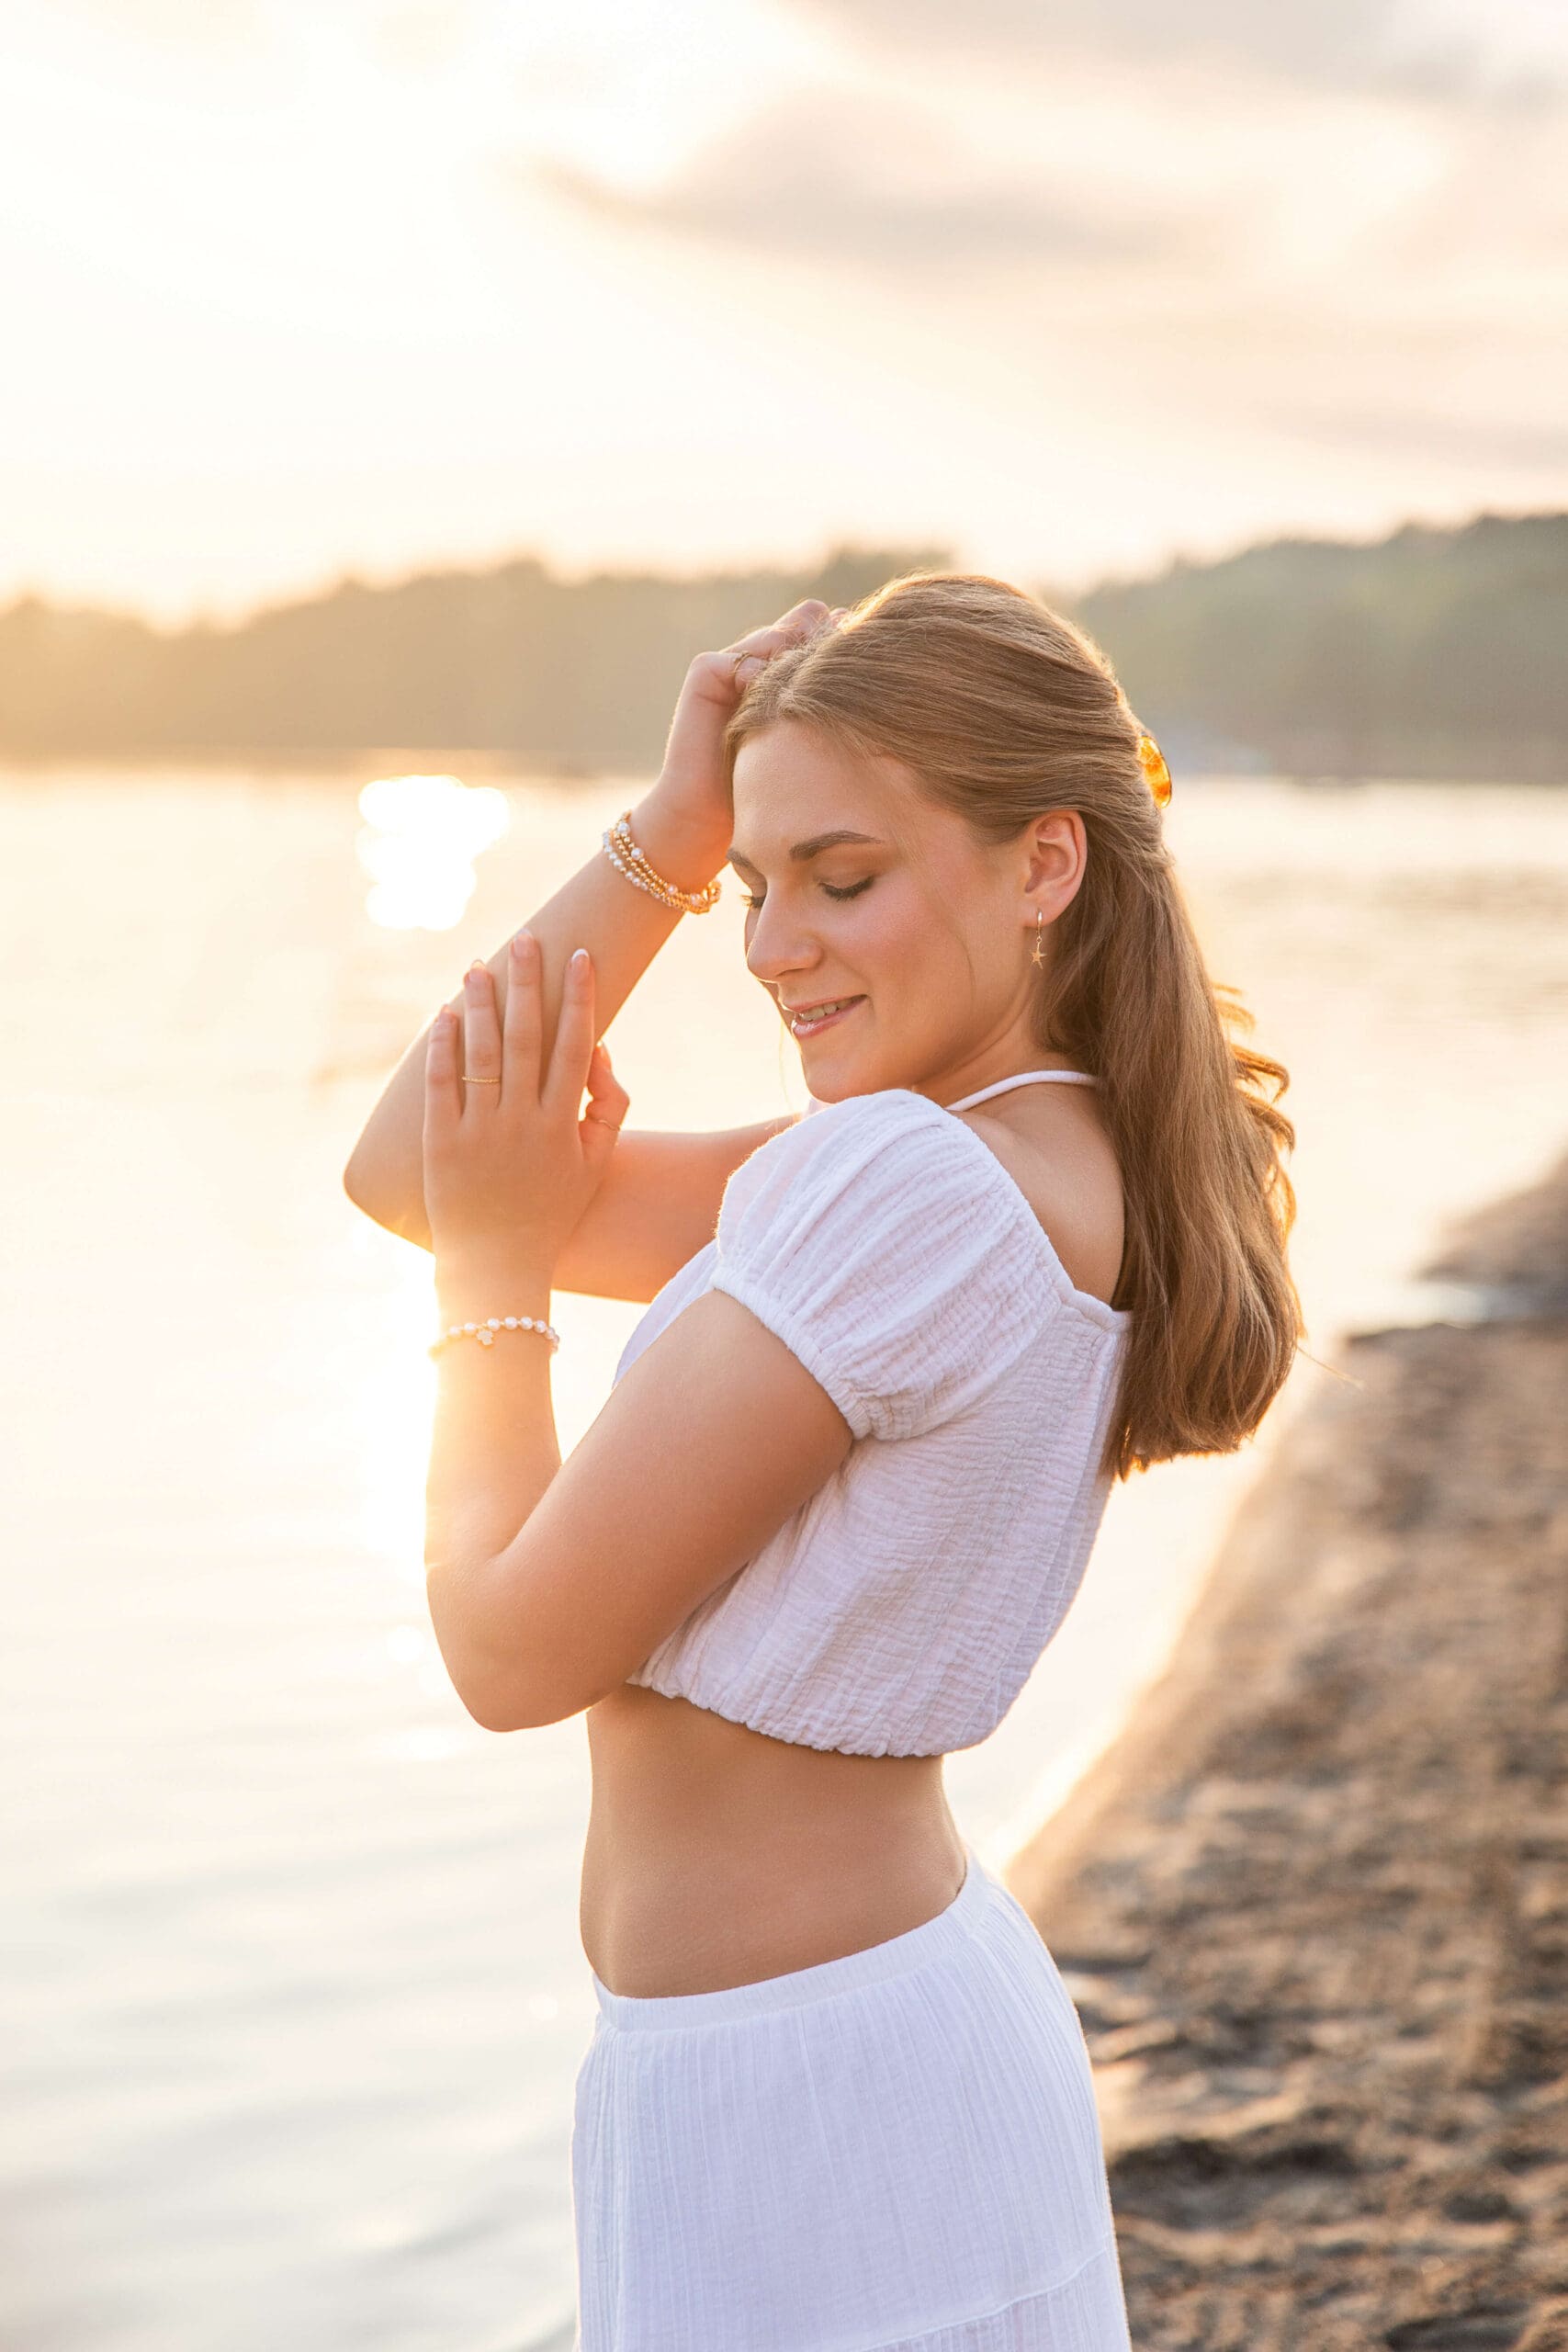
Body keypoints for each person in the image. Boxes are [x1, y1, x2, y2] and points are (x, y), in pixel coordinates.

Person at [342, 574, 1303, 2349]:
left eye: (840, 878)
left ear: (1044, 864)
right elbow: (413, 1160)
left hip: (812, 2099)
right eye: (749, 889)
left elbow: (506, 1649)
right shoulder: (970, 1155)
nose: (775, 945)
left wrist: (494, 1276)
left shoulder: (906, 1189)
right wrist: (673, 821)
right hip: (830, 2051)